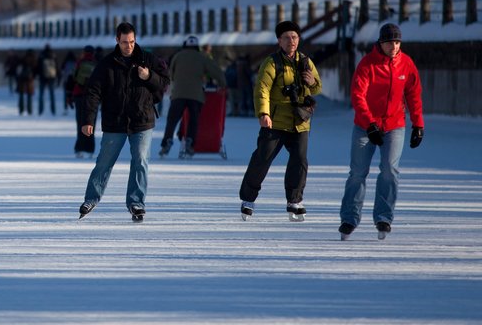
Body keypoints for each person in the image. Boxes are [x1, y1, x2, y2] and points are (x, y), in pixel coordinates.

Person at [339, 23, 424, 241]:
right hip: (365, 126)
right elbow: (358, 95)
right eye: (389, 42)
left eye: (397, 42)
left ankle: (384, 217)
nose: (394, 47)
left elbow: (413, 95)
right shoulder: (367, 64)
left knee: (389, 170)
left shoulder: (406, 64)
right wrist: (370, 124)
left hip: (395, 125)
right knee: (358, 172)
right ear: (381, 42)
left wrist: (418, 125)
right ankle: (349, 218)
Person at [78, 22, 169, 223]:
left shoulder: (148, 59)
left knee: (141, 161)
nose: (129, 46)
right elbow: (92, 92)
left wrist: (149, 76)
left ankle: (136, 202)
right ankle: (91, 199)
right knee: (104, 162)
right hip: (115, 121)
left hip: (142, 120)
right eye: (125, 42)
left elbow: (164, 83)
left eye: (132, 41)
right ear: (117, 40)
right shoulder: (106, 64)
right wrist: (88, 120)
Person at [239, 21, 322, 221]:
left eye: (294, 37)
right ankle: (248, 199)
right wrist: (263, 114)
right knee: (263, 158)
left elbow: (317, 88)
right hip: (275, 121)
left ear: (299, 39)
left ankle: (294, 200)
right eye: (286, 37)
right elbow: (262, 89)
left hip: (300, 121)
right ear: (279, 41)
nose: (291, 41)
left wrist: (312, 82)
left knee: (299, 160)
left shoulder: (305, 61)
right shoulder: (272, 62)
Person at [158, 35, 226, 158]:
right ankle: (190, 141)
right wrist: (222, 84)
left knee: (172, 120)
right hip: (195, 95)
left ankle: (166, 142)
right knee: (193, 120)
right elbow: (216, 72)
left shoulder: (178, 56)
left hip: (178, 93)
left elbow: (171, 74)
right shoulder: (202, 57)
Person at [70, 45, 98, 158]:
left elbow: (74, 77)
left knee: (80, 122)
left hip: (79, 95)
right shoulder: (96, 63)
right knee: (91, 123)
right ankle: (90, 148)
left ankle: (79, 148)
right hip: (92, 97)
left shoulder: (80, 62)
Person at [37, 44, 60, 116]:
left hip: (42, 78)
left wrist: (38, 75)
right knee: (52, 95)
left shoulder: (41, 55)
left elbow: (38, 67)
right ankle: (53, 110)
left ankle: (40, 111)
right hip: (51, 77)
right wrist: (58, 77)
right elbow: (57, 67)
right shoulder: (53, 55)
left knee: (41, 95)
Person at [16, 49, 37, 115]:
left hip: (22, 79)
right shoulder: (33, 60)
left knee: (21, 94)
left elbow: (18, 66)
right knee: (29, 95)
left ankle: (21, 110)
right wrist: (33, 76)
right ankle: (29, 110)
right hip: (30, 79)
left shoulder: (23, 59)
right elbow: (36, 70)